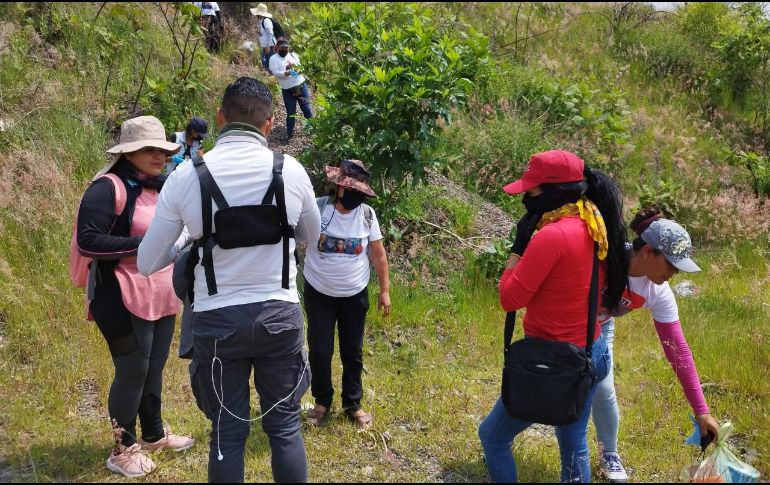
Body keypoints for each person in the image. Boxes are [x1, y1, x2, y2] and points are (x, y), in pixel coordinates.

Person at [137, 77, 321, 483]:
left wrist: (189, 236)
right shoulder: (290, 171)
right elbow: (310, 236)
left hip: (217, 324)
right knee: (285, 428)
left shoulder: (187, 177)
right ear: (270, 124)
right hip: (279, 316)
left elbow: (148, 261)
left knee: (227, 431)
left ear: (220, 118)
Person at [478, 149, 630, 483]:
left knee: (492, 437)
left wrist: (518, 249)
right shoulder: (594, 223)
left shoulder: (552, 236)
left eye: (530, 192)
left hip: (555, 365)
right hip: (591, 353)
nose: (525, 199)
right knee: (573, 442)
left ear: (553, 192)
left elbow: (509, 298)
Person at [75, 115, 194, 478]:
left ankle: (154, 434)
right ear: (128, 152)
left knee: (154, 366)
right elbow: (88, 240)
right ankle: (123, 447)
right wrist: (145, 244)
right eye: (149, 149)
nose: (158, 155)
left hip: (160, 291)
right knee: (132, 370)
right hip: (119, 293)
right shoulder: (107, 187)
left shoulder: (162, 186)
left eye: (162, 148)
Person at [591, 206, 720, 482]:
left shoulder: (658, 291)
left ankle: (609, 453)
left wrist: (702, 410)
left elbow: (678, 350)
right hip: (567, 321)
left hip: (601, 326)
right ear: (649, 252)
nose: (675, 272)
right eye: (672, 264)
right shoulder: (603, 257)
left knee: (602, 388)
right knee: (563, 386)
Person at [303, 159, 391, 430]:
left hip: (354, 294)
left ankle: (353, 403)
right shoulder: (317, 209)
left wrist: (385, 290)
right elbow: (292, 237)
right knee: (320, 350)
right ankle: (322, 401)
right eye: (351, 190)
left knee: (352, 351)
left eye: (360, 192)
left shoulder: (367, 215)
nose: (355, 196)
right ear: (338, 187)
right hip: (319, 292)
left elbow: (378, 254)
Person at [269, 39, 314, 140]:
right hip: (287, 89)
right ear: (277, 48)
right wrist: (287, 71)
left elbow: (300, 69)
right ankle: (289, 134)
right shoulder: (273, 59)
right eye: (282, 48)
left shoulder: (293, 56)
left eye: (286, 48)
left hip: (300, 85)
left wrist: (293, 69)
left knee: (306, 109)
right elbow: (276, 73)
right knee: (291, 112)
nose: (284, 50)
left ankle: (315, 130)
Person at [251, 3, 276, 71]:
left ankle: (273, 79)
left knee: (271, 65)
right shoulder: (261, 21)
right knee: (265, 64)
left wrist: (267, 46)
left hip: (271, 46)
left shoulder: (266, 21)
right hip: (265, 46)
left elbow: (270, 33)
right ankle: (270, 79)